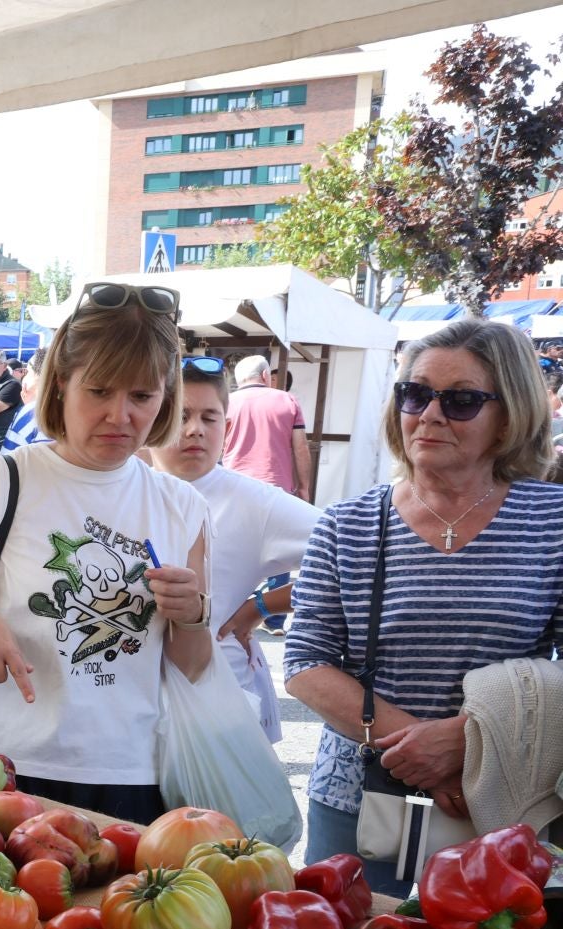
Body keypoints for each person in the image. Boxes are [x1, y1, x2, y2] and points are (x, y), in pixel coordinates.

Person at [0, 282, 212, 823]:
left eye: (142, 396)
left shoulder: (183, 505)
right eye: (100, 391)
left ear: (165, 397)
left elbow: (192, 664)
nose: (120, 415)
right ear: (62, 384)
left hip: (128, 777)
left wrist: (193, 615)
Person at [285, 318, 563, 892]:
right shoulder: (349, 523)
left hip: (505, 792)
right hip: (359, 790)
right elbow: (305, 663)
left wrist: (468, 741)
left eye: (461, 401)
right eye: (415, 393)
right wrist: (418, 748)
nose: (430, 414)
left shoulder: (552, 519)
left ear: (508, 415)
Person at [150, 358, 318, 742]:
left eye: (210, 418)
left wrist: (261, 606)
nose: (195, 430)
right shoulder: (122, 488)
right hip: (126, 711)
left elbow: (359, 557)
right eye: (181, 416)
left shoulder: (256, 503)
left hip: (215, 714)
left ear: (226, 427)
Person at [222, 354, 314, 501]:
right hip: (276, 485)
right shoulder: (288, 400)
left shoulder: (226, 403)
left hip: (235, 483)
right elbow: (301, 448)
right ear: (265, 375)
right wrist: (304, 487)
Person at [0, 357, 47, 453]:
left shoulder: (31, 412)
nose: (23, 377)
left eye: (26, 372)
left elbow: (9, 458)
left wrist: (29, 407)